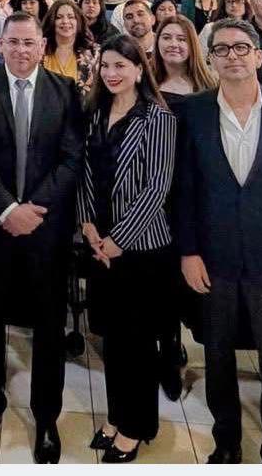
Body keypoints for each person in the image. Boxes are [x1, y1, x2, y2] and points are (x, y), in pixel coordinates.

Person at [174, 18, 262, 464]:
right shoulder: (192, 112)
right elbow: (183, 191)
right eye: (222, 49)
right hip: (214, 262)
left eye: (242, 48)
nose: (232, 56)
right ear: (212, 59)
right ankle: (227, 440)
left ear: (259, 57)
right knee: (217, 359)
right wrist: (189, 251)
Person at [0, 13, 84, 464]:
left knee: (49, 325)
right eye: (12, 42)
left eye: (29, 42)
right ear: (1, 45)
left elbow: (71, 159)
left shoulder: (65, 91)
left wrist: (33, 210)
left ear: (42, 43)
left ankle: (46, 416)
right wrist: (8, 209)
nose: (20, 50)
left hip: (46, 230)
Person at [78, 35, 177, 463]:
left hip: (139, 251)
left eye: (121, 66)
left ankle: (136, 427)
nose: (112, 74)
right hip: (99, 245)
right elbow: (85, 172)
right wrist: (86, 224)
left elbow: (157, 188)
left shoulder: (158, 118)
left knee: (137, 344)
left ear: (140, 70)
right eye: (106, 66)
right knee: (112, 342)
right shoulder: (96, 113)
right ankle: (118, 415)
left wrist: (118, 240)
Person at [151, 16, 215, 400]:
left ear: (192, 45)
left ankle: (179, 344)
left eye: (180, 38)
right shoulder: (146, 84)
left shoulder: (207, 89)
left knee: (186, 276)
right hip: (154, 195)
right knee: (159, 278)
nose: (173, 44)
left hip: (193, 195)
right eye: (166, 37)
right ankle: (164, 350)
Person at [41, 0, 100, 96]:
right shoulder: (39, 51)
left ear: (78, 21)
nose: (65, 21)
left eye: (71, 17)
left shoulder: (94, 52)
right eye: (59, 17)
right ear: (52, 21)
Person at [120, 0, 157, 64]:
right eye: (129, 17)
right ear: (125, 25)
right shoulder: (119, 51)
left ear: (153, 19)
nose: (136, 20)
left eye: (140, 14)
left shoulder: (166, 45)